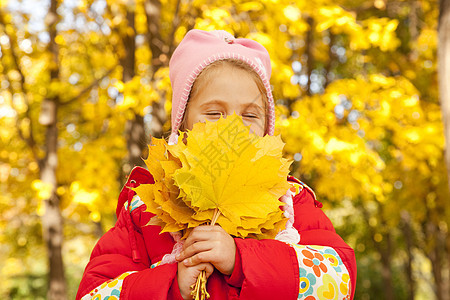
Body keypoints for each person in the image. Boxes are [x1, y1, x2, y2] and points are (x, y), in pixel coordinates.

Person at [76, 29, 357, 300]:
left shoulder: (289, 204)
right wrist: (173, 285)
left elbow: (339, 280)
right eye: (214, 112)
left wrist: (241, 259)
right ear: (182, 125)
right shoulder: (147, 209)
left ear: (266, 129)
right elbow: (94, 293)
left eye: (249, 115)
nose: (233, 125)